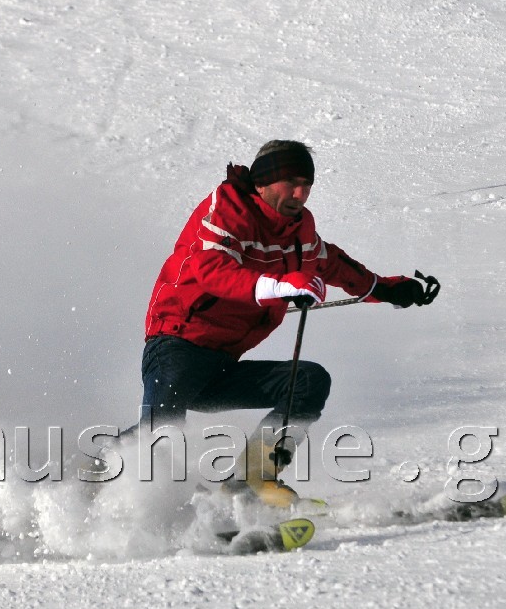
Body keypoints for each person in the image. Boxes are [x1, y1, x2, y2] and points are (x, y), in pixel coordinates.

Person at [140, 139, 439, 507]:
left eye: (307, 184)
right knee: (160, 433)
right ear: (263, 182)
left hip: (220, 363)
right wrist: (278, 285)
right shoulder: (227, 208)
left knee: (308, 381)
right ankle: (106, 484)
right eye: (291, 183)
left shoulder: (299, 230)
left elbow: (332, 264)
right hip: (177, 341)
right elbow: (208, 269)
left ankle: (250, 481)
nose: (301, 193)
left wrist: (386, 289)